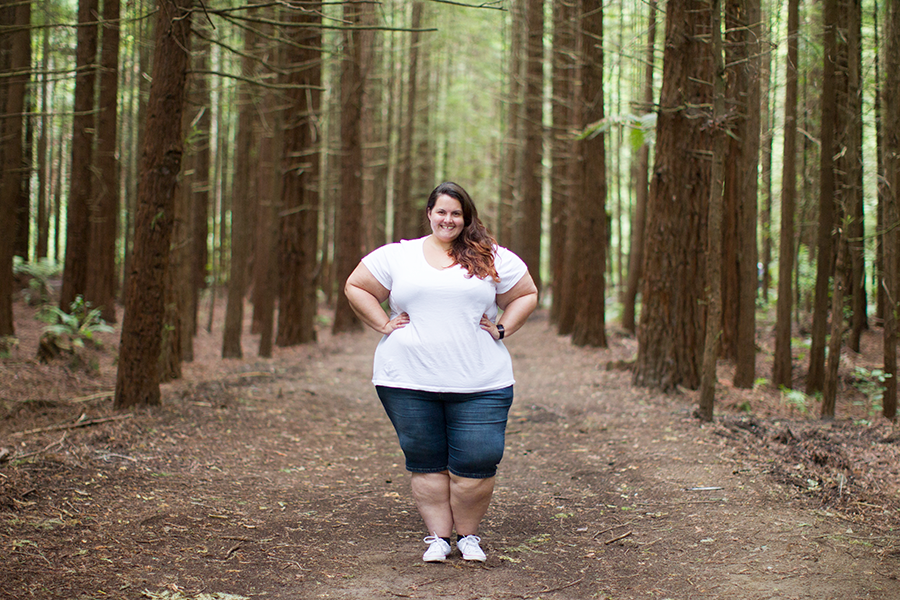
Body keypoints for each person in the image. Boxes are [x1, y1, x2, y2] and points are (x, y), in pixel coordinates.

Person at [344, 181, 538, 563]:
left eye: (456, 213)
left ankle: (468, 537)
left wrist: (503, 329)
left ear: (466, 217)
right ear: (429, 214)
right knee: (425, 459)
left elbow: (526, 293)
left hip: (482, 380)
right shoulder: (399, 256)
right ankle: (438, 538)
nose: (447, 219)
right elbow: (356, 286)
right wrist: (383, 324)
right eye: (441, 211)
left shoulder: (491, 256)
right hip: (407, 379)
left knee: (479, 460)